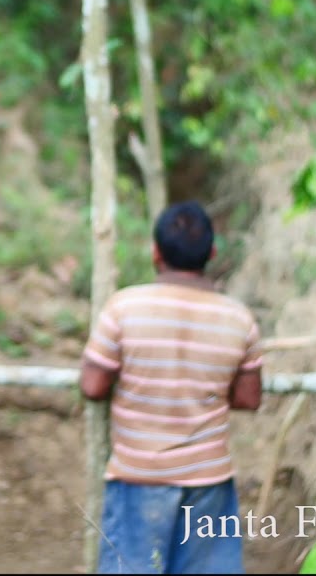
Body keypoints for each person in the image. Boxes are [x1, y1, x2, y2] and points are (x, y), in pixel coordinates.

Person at [80, 201, 263, 574]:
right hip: (208, 482)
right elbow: (248, 397)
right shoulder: (239, 318)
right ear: (211, 254)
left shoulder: (123, 308)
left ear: (155, 253)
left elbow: (93, 385)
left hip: (138, 479)